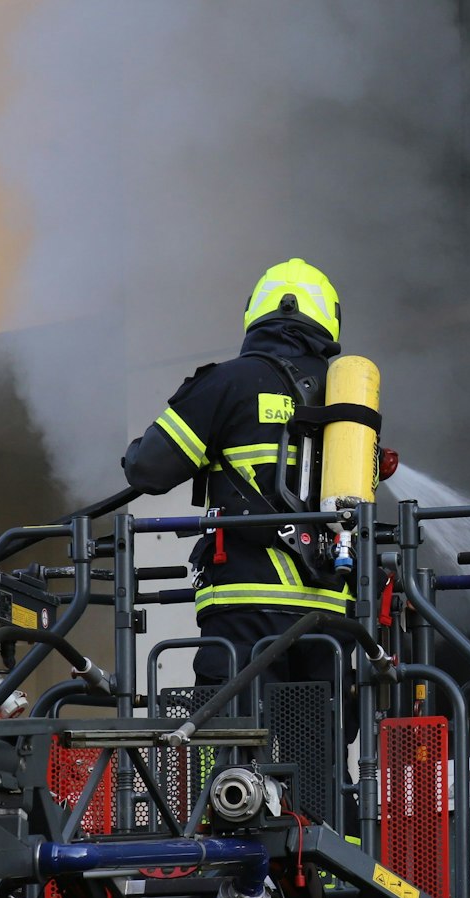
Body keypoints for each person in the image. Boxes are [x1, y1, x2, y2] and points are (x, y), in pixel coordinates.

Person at [122, 258, 353, 689]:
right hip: (332, 613)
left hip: (246, 607)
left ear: (258, 311)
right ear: (329, 318)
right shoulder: (347, 398)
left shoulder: (229, 382)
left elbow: (147, 470)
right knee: (316, 748)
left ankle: (224, 760)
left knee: (226, 738)